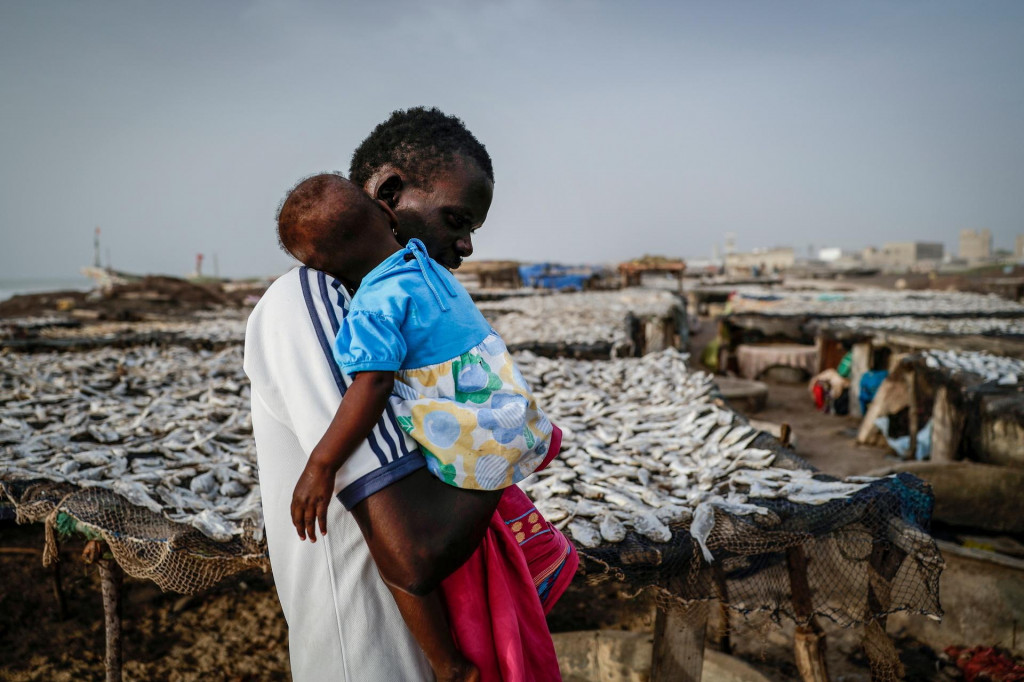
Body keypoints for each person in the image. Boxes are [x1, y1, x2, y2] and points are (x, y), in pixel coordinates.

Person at [244, 108, 574, 682]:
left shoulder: (401, 295)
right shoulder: (312, 300)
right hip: (369, 661)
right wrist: (505, 439)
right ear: (389, 192)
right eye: (456, 218)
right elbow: (415, 554)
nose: (466, 244)